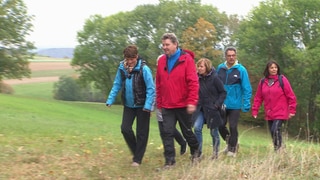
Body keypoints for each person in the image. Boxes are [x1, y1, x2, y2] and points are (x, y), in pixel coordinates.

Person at [106, 45, 155, 167]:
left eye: (132, 59)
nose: (129, 61)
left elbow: (151, 88)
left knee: (141, 133)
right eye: (127, 59)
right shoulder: (122, 68)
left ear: (136, 56)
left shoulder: (144, 69)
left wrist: (148, 106)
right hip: (128, 104)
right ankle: (136, 151)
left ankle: (137, 159)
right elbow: (117, 83)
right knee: (125, 129)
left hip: (142, 105)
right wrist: (110, 99)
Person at [156, 32, 200, 168]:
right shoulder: (162, 60)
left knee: (187, 132)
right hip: (167, 105)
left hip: (183, 104)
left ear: (175, 44)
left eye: (167, 44)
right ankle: (169, 162)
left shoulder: (186, 60)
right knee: (167, 132)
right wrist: (159, 103)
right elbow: (158, 83)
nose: (164, 47)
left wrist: (192, 102)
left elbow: (193, 82)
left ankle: (196, 151)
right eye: (163, 45)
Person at [252, 60, 297, 152]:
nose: (274, 69)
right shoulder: (263, 81)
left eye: (275, 67)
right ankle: (279, 149)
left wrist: (292, 110)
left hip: (281, 111)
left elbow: (291, 95)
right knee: (273, 132)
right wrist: (255, 109)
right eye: (271, 67)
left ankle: (279, 149)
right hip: (269, 112)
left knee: (275, 130)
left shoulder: (282, 79)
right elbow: (258, 97)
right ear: (268, 69)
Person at [216, 46, 252, 157]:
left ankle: (232, 150)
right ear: (225, 56)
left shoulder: (241, 70)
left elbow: (247, 88)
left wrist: (246, 103)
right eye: (229, 55)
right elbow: (215, 85)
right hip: (222, 102)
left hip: (235, 104)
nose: (231, 57)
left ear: (236, 56)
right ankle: (231, 142)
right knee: (220, 125)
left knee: (233, 126)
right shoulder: (220, 68)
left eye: (233, 55)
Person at [193, 58, 226, 159]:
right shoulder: (196, 78)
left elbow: (223, 92)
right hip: (200, 109)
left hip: (212, 109)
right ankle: (198, 153)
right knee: (197, 128)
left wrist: (217, 104)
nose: (199, 68)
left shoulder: (215, 78)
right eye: (198, 66)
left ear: (206, 67)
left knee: (213, 132)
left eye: (201, 66)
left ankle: (215, 154)